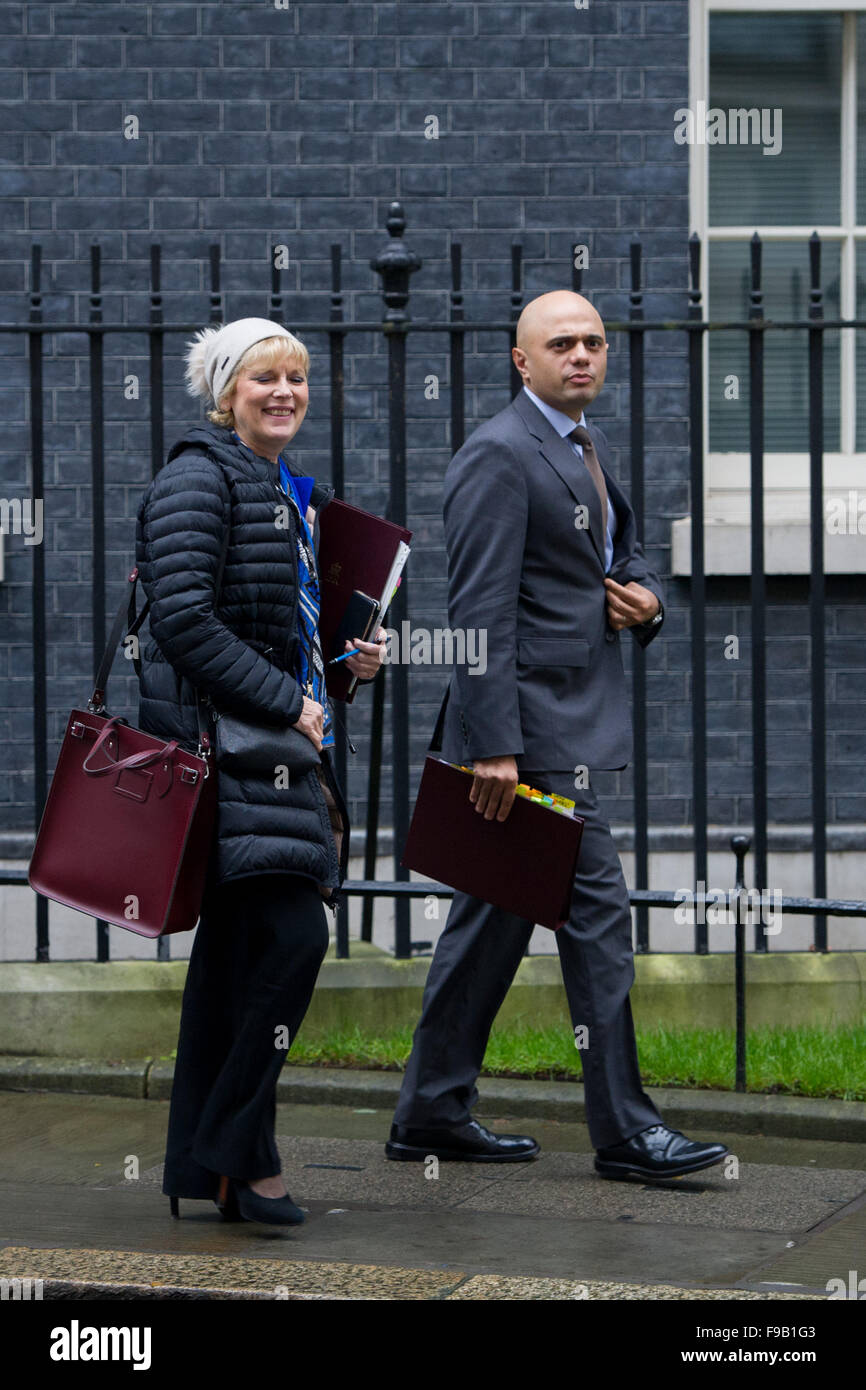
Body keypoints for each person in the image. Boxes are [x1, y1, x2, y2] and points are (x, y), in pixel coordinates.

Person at [386, 291, 729, 1183]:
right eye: (562, 344)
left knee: (491, 924)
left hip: (563, 727)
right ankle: (626, 1132)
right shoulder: (501, 454)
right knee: (600, 923)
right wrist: (493, 746)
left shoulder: (584, 445)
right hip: (531, 745)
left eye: (594, 343)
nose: (582, 356)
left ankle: (429, 1108)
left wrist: (648, 601)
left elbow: (626, 558)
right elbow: (477, 611)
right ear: (520, 360)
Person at [134, 317, 385, 1224]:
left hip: (277, 758)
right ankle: (236, 1151)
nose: (284, 392)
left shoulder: (281, 487)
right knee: (291, 941)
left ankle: (213, 1171)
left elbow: (275, 626)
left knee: (236, 962)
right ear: (225, 391)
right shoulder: (198, 478)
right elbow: (186, 622)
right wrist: (288, 700)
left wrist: (342, 666)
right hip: (238, 758)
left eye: (297, 377)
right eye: (263, 378)